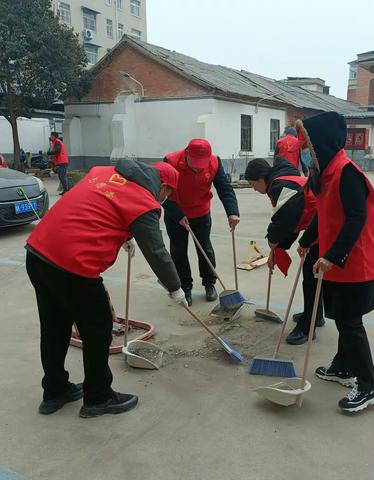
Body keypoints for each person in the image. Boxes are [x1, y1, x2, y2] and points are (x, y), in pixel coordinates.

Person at [26, 159, 187, 418]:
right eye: (168, 193)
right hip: (73, 265)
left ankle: (55, 391)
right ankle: (98, 397)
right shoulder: (144, 202)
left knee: (54, 327)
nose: (165, 198)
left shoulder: (103, 172)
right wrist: (175, 287)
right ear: (163, 186)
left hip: (38, 253)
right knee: (98, 330)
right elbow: (157, 251)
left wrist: (125, 235)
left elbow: (95, 207)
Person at [296, 111, 374, 413]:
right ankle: (344, 366)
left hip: (357, 262)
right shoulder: (327, 174)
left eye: (309, 146)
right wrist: (307, 241)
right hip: (339, 261)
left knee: (350, 322)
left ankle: (369, 385)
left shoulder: (347, 172)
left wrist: (333, 255)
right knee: (341, 318)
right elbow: (325, 214)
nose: (307, 154)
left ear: (322, 143)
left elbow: (356, 218)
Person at [244, 157, 324, 345]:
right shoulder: (282, 179)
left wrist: (273, 240)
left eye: (252, 184)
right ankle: (315, 316)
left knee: (311, 277)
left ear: (260, 178)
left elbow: (287, 220)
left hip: (323, 225)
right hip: (315, 224)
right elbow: (292, 222)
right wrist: (278, 248)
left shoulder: (280, 185)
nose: (254, 189)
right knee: (312, 275)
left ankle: (307, 327)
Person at [162, 139, 240, 306]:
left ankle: (209, 283)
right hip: (176, 214)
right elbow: (161, 193)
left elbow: (224, 187)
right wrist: (177, 214)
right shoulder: (171, 162)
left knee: (205, 248)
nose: (198, 167)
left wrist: (232, 212)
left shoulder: (214, 162)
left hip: (201, 212)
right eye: (195, 163)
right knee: (178, 251)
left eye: (201, 164)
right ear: (186, 154)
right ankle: (184, 287)